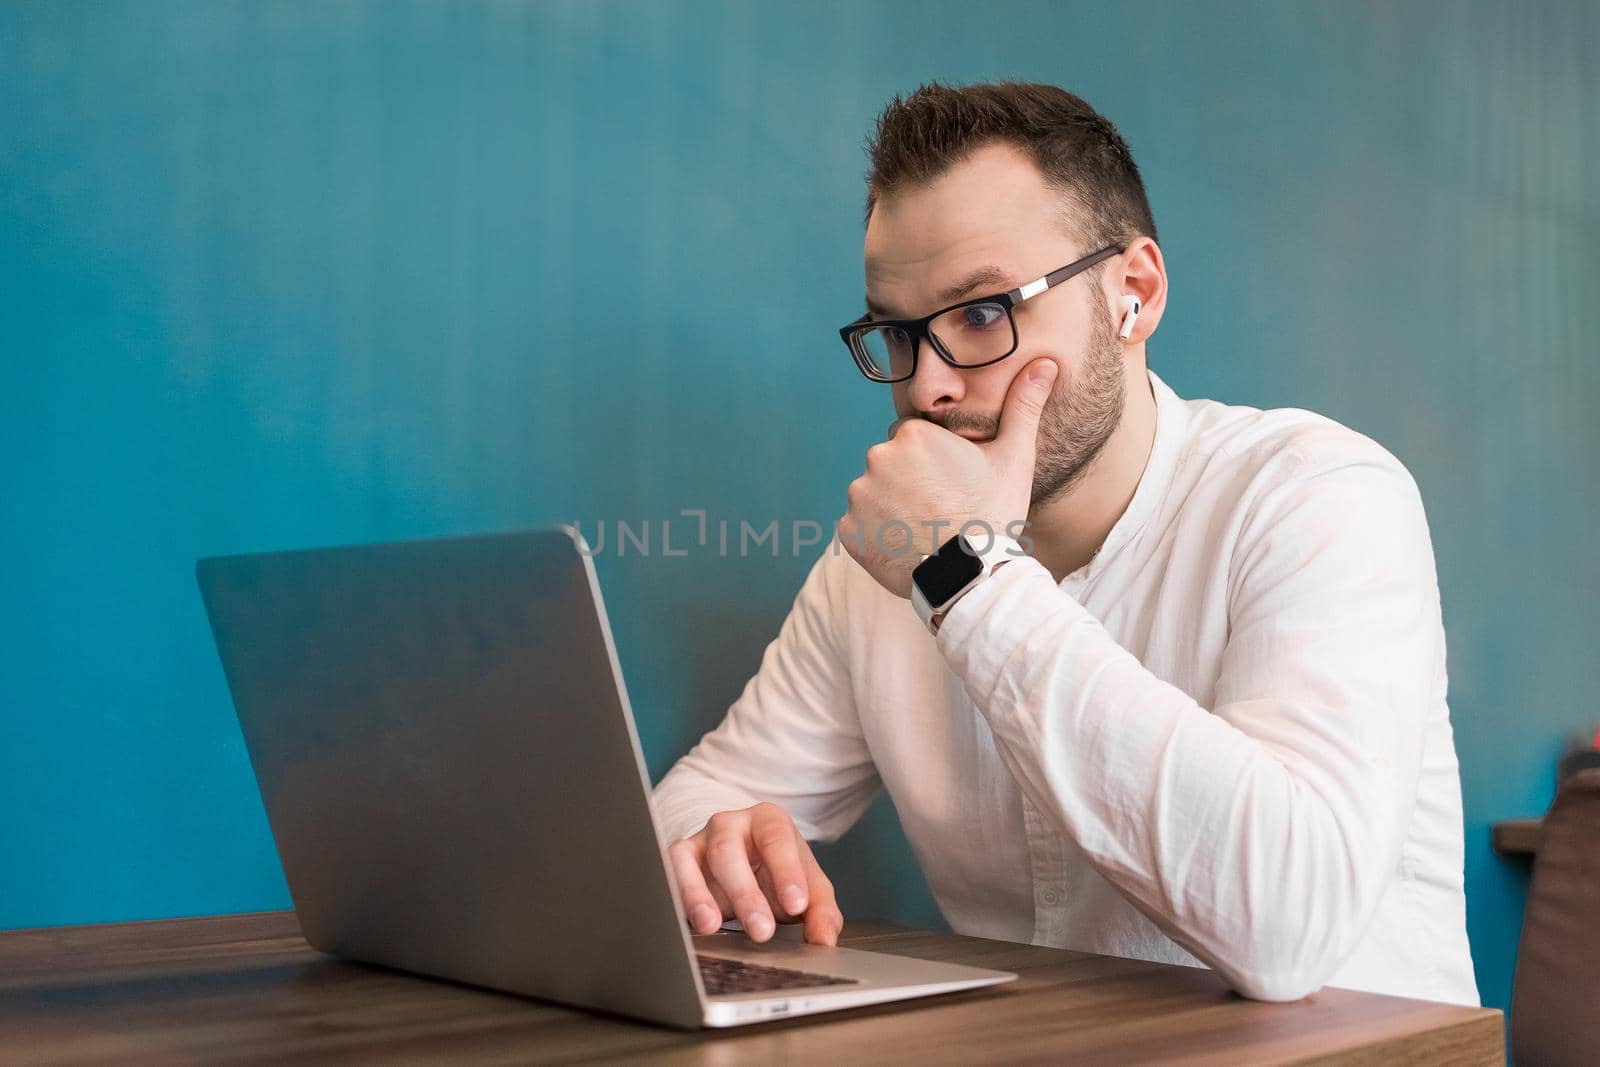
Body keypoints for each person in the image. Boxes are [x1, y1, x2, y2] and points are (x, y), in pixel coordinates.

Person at [650, 81, 1478, 1006]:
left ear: (1134, 295)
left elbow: (1287, 925)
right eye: (896, 331)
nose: (926, 387)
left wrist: (962, 576)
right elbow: (691, 802)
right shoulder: (881, 565)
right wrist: (709, 844)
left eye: (981, 314)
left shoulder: (1319, 496)